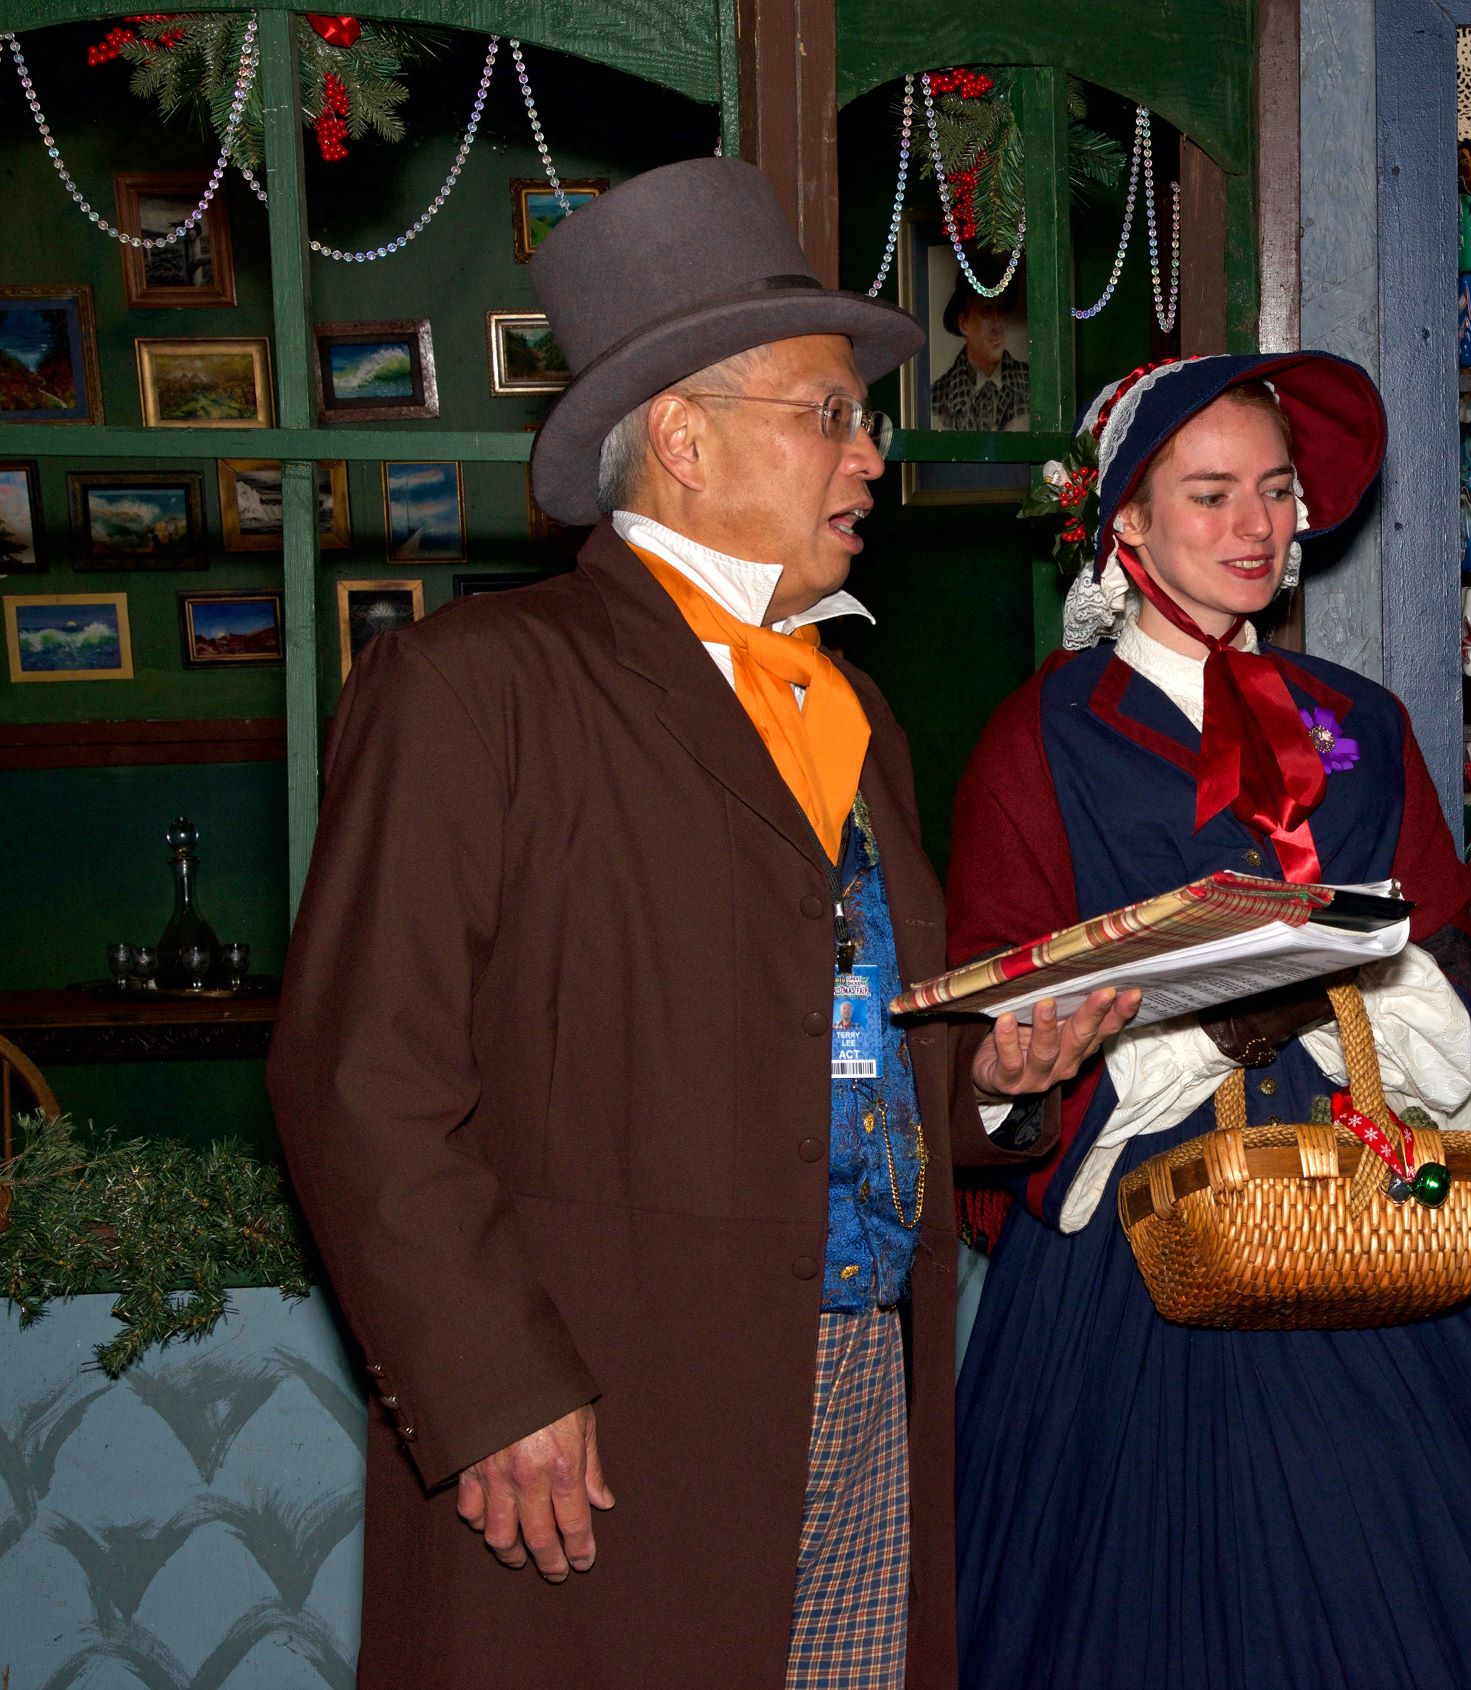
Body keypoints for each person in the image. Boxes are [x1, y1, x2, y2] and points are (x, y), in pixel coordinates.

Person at [267, 158, 1132, 1690]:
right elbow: (358, 1077)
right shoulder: (474, 690)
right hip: (602, 1406)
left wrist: (992, 1075)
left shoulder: (854, 710)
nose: (867, 455)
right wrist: (489, 1387)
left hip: (868, 1380)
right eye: (827, 413)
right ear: (679, 436)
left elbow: (841, 1032)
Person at [947, 353, 1471, 1689]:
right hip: (1133, 1279)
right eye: (1210, 493)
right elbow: (979, 1054)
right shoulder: (1036, 741)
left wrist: (1348, 994)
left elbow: (1456, 963)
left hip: (1364, 1224)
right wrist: (1066, 1058)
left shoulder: (1364, 728)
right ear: (1124, 523)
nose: (1257, 524)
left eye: (1275, 489)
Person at [930, 285, 1029, 431]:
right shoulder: (938, 397)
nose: (997, 325)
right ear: (964, 324)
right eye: (986, 313)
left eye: (1002, 311)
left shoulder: (1031, 384)